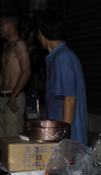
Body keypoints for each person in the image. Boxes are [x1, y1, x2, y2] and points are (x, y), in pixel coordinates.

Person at [35, 10, 88, 145]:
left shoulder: (62, 58)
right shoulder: (59, 57)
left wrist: (62, 142)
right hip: (60, 134)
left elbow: (70, 99)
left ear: (41, 34)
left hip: (66, 140)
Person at [0, 13, 31, 137]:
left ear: (10, 25)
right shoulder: (6, 46)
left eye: (1, 25)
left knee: (13, 137)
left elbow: (27, 71)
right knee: (2, 139)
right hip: (2, 98)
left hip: (14, 98)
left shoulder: (20, 44)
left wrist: (13, 95)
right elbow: (4, 72)